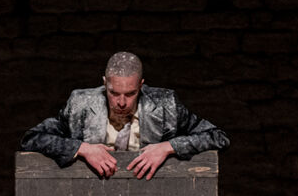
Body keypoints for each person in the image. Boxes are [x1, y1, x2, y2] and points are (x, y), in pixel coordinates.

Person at [19, 51, 229, 180]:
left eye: (130, 94)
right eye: (113, 93)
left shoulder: (165, 104)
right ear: (105, 84)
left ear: (141, 85)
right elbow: (32, 138)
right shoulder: (80, 104)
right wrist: (82, 148)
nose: (121, 102)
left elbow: (218, 137)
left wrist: (169, 147)